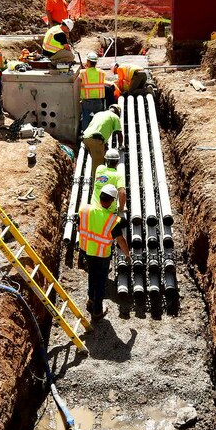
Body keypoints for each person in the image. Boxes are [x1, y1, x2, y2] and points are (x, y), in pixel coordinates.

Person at [78, 184, 130, 322]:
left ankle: (90, 301)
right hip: (102, 255)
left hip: (87, 250)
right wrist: (127, 254)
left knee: (92, 276)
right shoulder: (112, 220)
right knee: (100, 282)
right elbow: (120, 240)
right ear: (112, 201)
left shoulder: (85, 209)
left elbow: (80, 227)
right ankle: (97, 311)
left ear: (100, 197)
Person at [81, 103, 123, 176]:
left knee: (97, 160)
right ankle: (96, 185)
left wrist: (104, 144)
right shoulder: (115, 117)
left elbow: (96, 127)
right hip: (96, 140)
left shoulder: (98, 114)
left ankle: (96, 179)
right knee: (99, 166)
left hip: (86, 138)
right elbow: (119, 134)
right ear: (117, 113)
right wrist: (120, 146)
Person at [92, 148, 126, 213]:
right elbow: (122, 193)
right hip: (109, 211)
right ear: (117, 161)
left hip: (94, 208)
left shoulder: (99, 168)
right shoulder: (118, 175)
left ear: (106, 160)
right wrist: (121, 208)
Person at [79, 51, 107, 130]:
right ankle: (100, 134)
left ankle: (85, 135)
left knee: (86, 118)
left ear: (88, 62)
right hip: (99, 101)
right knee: (99, 120)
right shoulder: (102, 73)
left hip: (87, 101)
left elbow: (79, 82)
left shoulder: (83, 73)